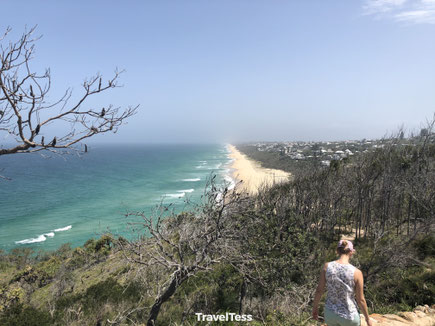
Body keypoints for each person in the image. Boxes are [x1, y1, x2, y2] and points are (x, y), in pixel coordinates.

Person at [311, 240, 373, 326]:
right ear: (351, 252)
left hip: (330, 313)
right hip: (349, 316)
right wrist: (367, 319)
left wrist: (315, 308)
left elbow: (319, 290)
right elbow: (360, 299)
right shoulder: (357, 272)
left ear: (337, 251)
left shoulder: (327, 266)